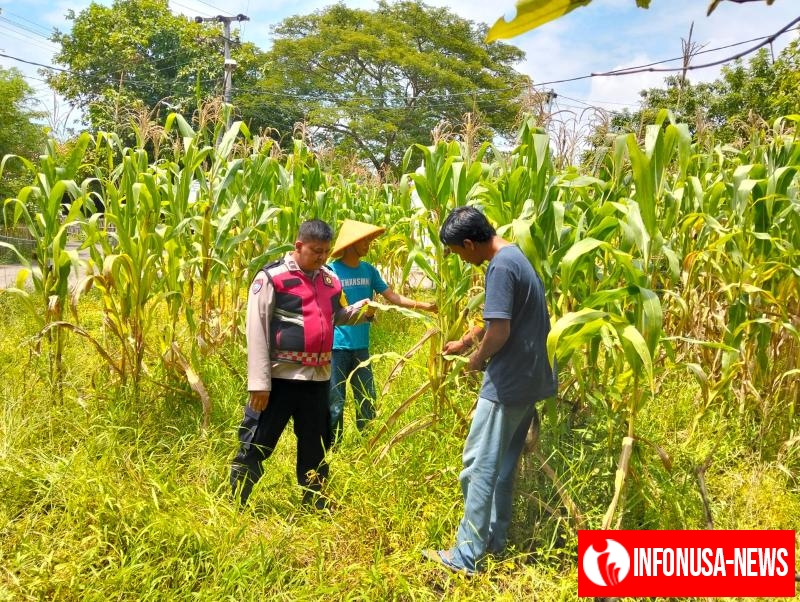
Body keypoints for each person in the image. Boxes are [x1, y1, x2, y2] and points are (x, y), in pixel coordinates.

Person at [422, 206, 557, 575]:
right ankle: (494, 542)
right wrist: (464, 342)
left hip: (508, 382)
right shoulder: (515, 257)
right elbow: (497, 318)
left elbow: (500, 331)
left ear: (469, 243)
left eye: (458, 253)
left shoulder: (498, 267)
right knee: (502, 467)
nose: (462, 261)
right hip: (531, 379)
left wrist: (475, 361)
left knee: (477, 466)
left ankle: (466, 555)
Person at [230, 219, 374, 509]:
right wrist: (259, 384)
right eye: (315, 251)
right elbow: (256, 329)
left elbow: (336, 316)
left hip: (317, 380)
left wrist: (361, 312)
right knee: (258, 441)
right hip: (280, 380)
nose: (321, 257)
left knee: (316, 444)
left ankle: (315, 502)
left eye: (325, 251)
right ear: (298, 246)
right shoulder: (272, 278)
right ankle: (235, 501)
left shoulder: (330, 281)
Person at [327, 219, 437, 444]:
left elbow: (393, 297)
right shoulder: (331, 271)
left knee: (367, 400)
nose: (368, 244)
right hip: (336, 347)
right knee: (335, 403)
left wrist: (426, 306)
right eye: (364, 240)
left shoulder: (369, 270)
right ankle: (331, 450)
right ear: (351, 243)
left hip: (362, 348)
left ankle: (366, 445)